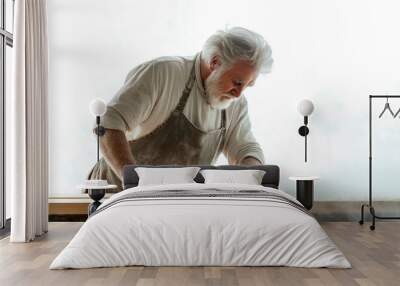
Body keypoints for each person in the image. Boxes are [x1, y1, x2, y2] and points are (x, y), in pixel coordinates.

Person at [88, 27, 273, 192]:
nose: (239, 93)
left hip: (176, 200)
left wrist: (251, 177)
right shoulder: (163, 74)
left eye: (248, 85)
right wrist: (134, 184)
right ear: (215, 62)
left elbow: (245, 148)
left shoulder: (235, 104)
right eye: (237, 82)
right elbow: (108, 125)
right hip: (117, 192)